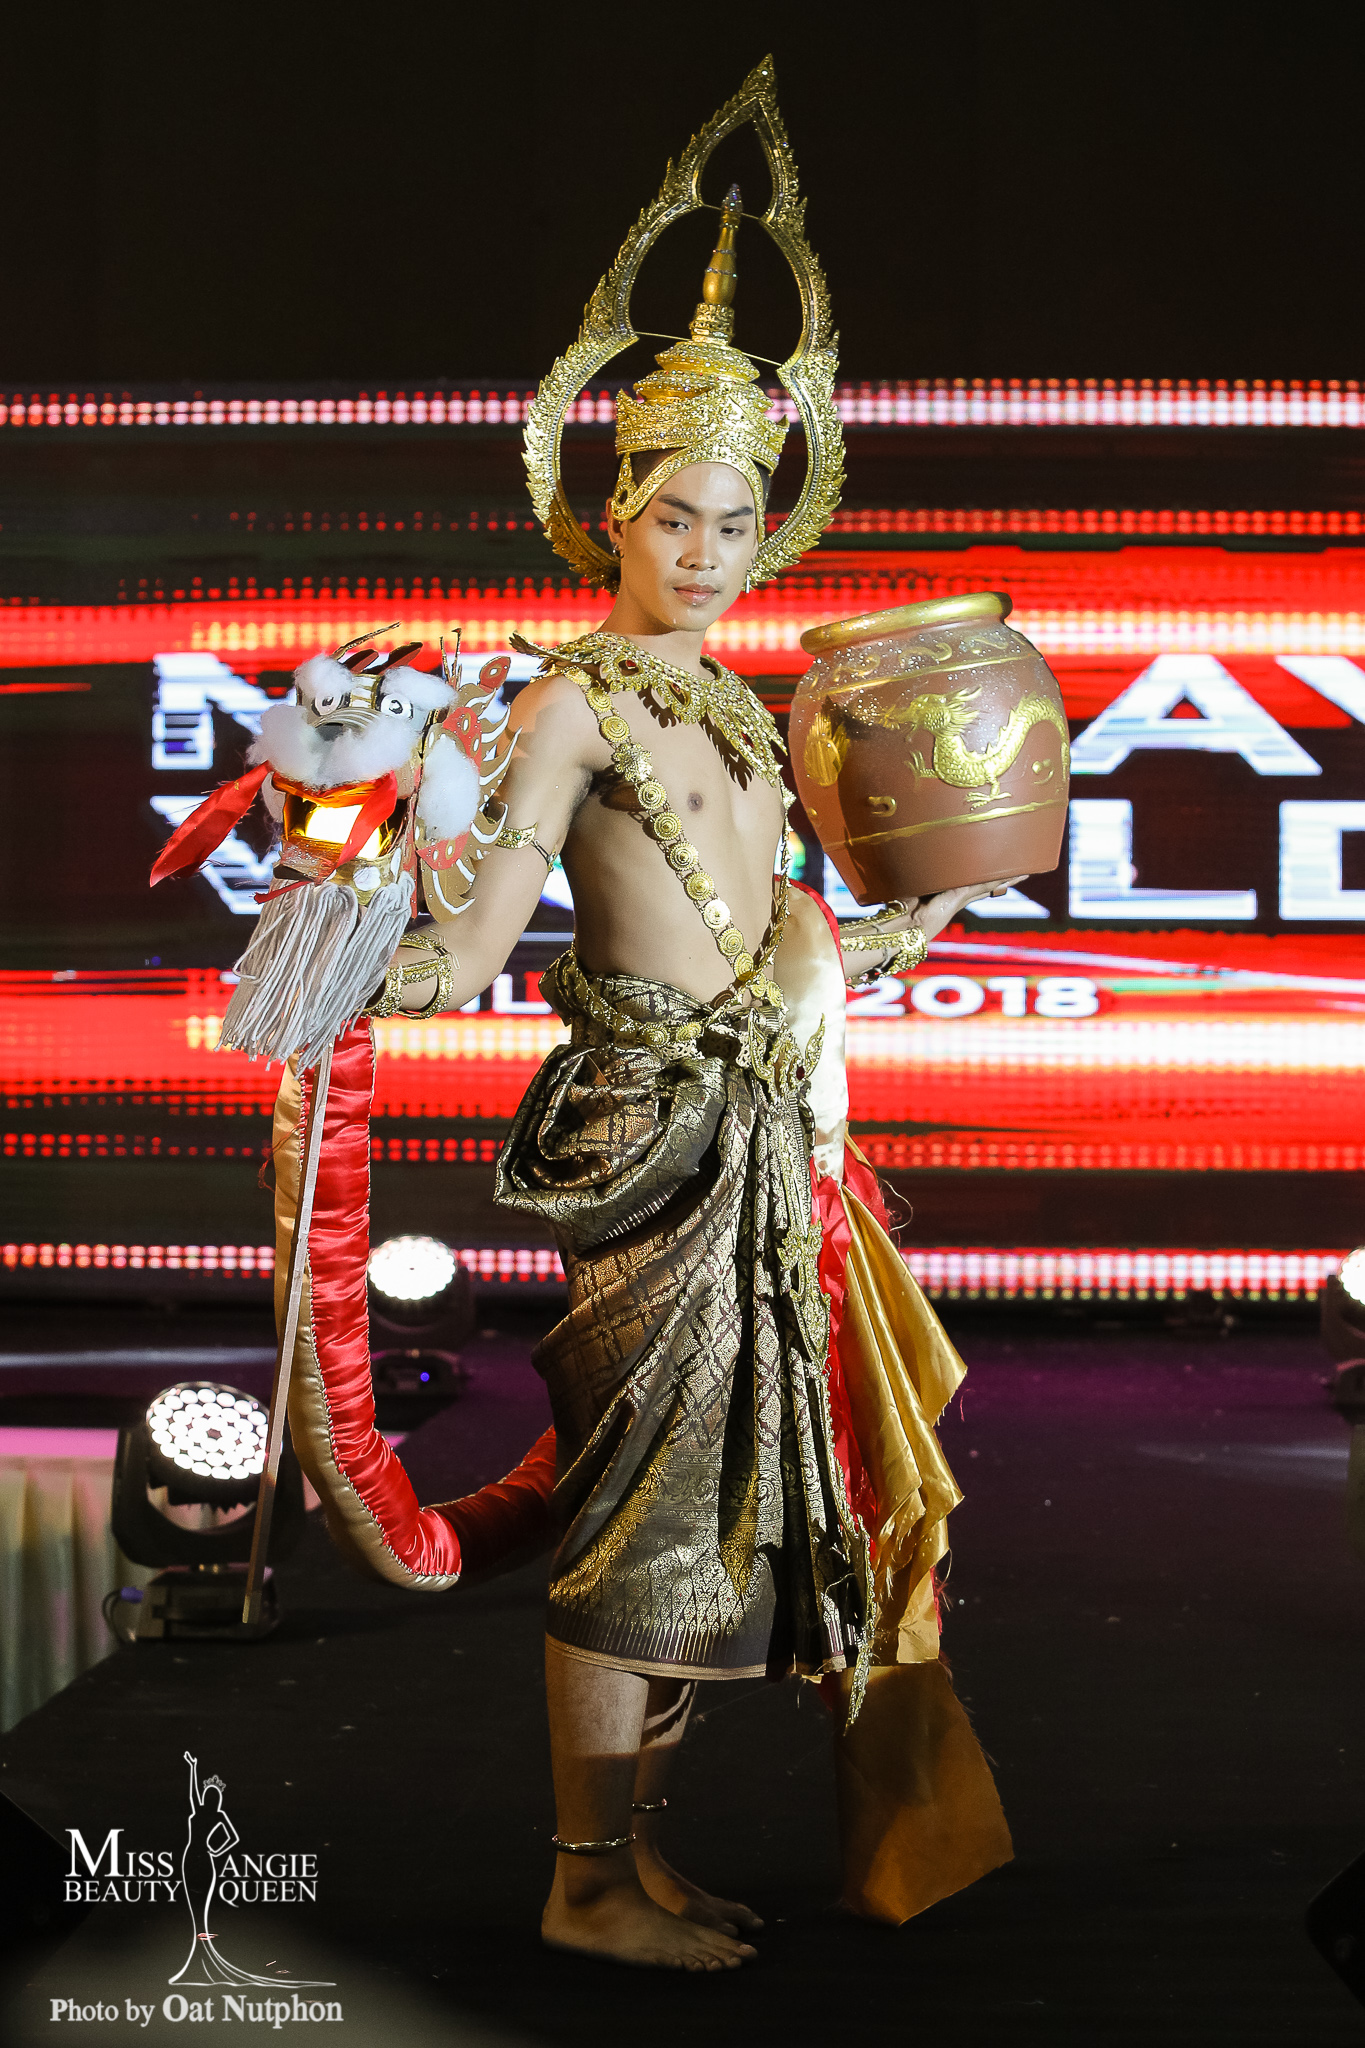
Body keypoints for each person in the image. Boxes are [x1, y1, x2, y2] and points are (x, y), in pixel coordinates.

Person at [372, 69, 1013, 1972]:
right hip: (652, 1139)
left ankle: (632, 1860)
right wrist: (372, 938)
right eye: (676, 516)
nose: (710, 549)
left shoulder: (746, 702)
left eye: (738, 520)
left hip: (769, 1132)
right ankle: (581, 1884)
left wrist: (907, 921)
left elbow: (772, 945)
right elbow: (472, 943)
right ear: (612, 514)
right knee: (641, 1518)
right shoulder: (568, 700)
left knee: (723, 1523)